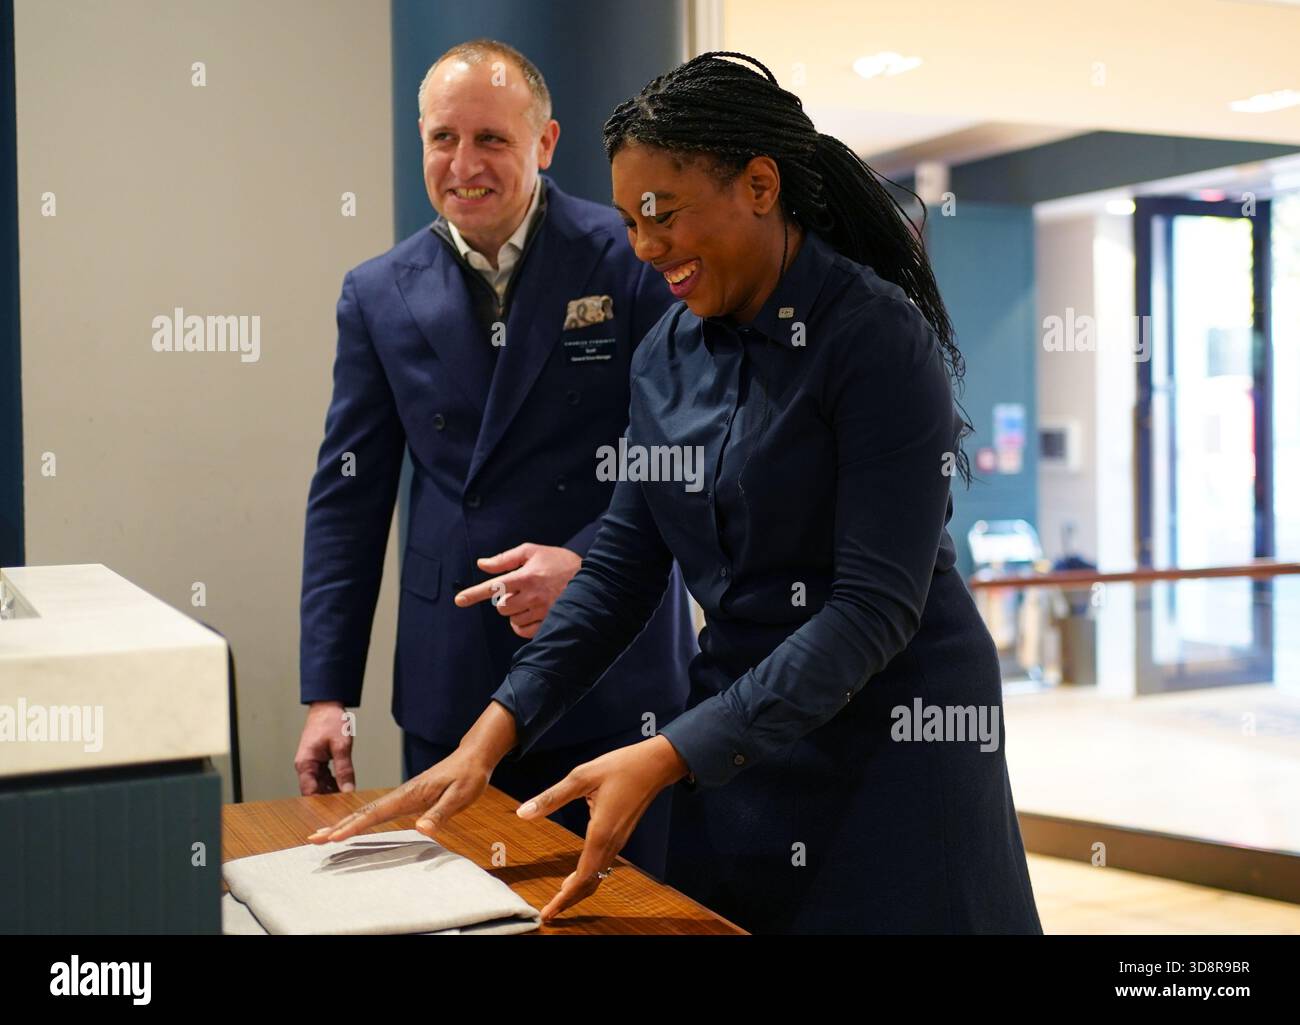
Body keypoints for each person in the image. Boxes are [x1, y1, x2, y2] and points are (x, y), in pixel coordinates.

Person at [308, 51, 1043, 935]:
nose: (646, 247)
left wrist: (670, 750)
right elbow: (621, 564)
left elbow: (872, 609)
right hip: (733, 740)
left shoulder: (876, 338)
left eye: (662, 213)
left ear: (760, 185)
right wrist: (492, 733)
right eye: (629, 221)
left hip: (887, 740)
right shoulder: (667, 350)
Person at [295, 39, 696, 880]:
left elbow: (680, 451)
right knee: (457, 906)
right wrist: (329, 693)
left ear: (545, 144)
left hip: (614, 668)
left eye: (492, 140)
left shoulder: (630, 257)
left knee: (624, 910)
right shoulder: (376, 291)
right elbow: (349, 498)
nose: (463, 165)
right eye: (444, 138)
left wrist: (586, 564)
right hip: (453, 673)